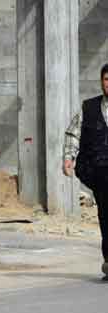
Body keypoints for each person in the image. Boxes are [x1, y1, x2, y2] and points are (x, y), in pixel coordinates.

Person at [63, 63, 108, 280]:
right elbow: (73, 134)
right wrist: (68, 159)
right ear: (101, 82)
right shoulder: (88, 108)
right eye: (106, 79)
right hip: (100, 174)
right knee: (105, 217)